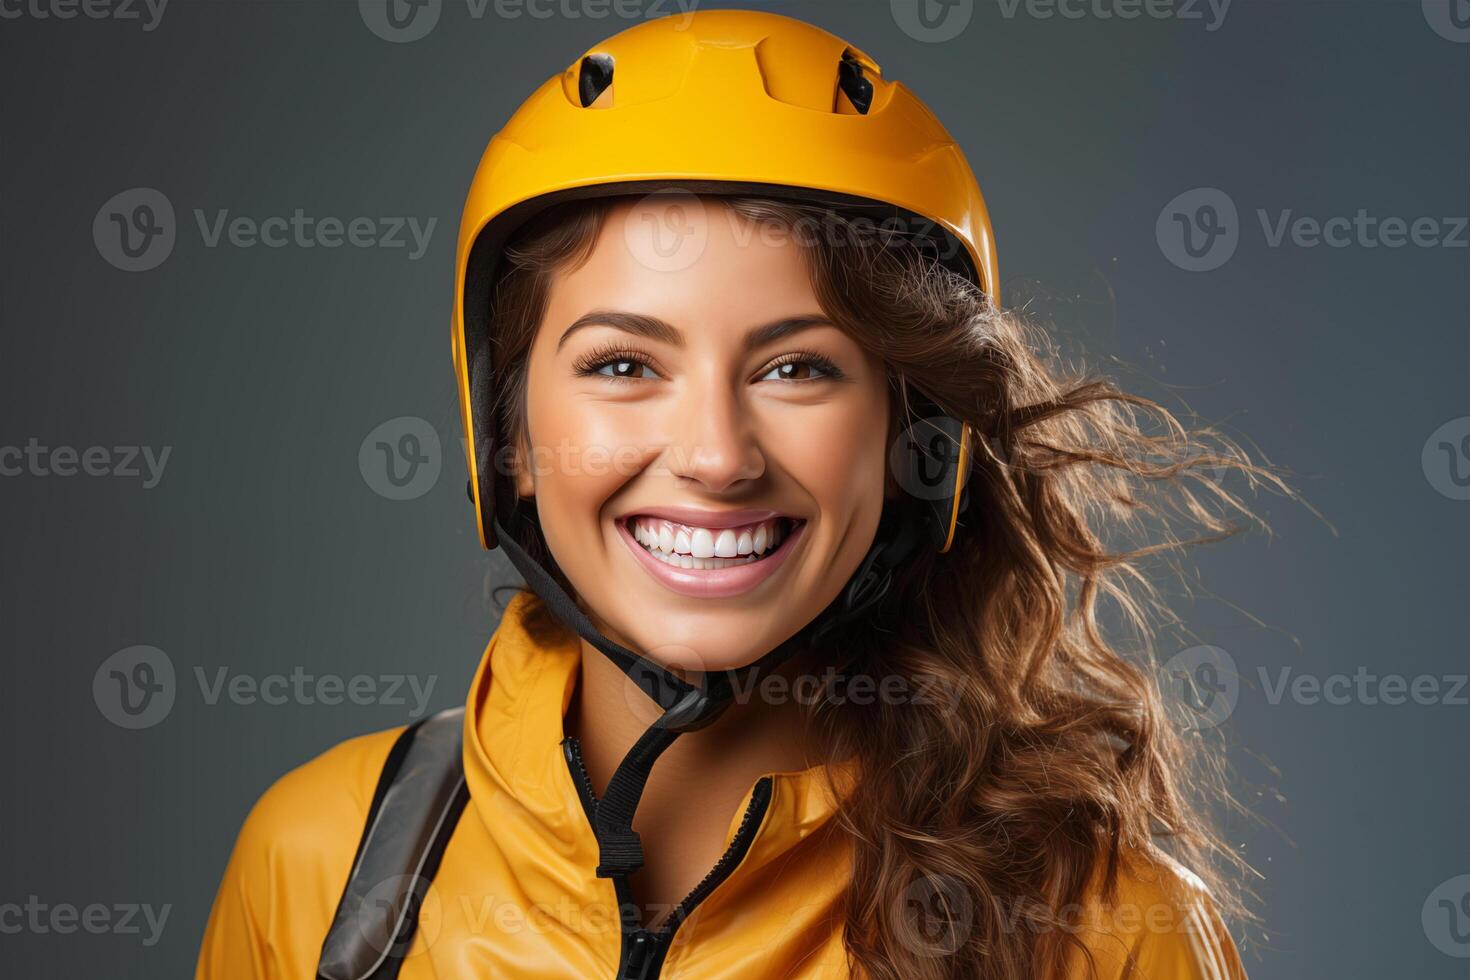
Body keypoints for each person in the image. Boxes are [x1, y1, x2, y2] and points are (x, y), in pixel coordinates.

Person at [198, 10, 1266, 979]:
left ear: (918, 438)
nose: (715, 455)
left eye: (797, 367)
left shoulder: (1101, 923)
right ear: (507, 436)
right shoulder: (322, 866)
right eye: (623, 365)